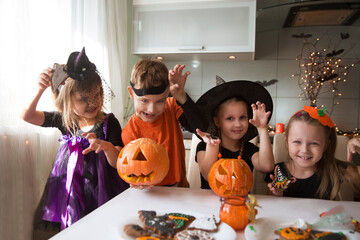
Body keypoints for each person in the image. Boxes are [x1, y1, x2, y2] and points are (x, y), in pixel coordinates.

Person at [20, 47, 129, 238]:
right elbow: (27, 116)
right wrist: (40, 89)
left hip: (100, 192)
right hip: (70, 194)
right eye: (83, 99)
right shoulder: (65, 120)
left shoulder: (108, 122)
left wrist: (105, 146)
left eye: (97, 95)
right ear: (68, 98)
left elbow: (120, 160)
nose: (92, 103)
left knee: (99, 231)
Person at [120, 59, 209, 188]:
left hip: (179, 189)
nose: (151, 109)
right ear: (131, 93)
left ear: (167, 95)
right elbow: (131, 168)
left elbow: (201, 128)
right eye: (144, 100)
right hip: (150, 192)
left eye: (160, 101)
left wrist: (181, 95)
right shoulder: (129, 132)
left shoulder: (171, 107)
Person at [266, 106, 360, 200]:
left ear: (326, 145)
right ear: (286, 142)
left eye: (314, 143)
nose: (305, 150)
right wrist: (276, 195)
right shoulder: (277, 171)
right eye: (297, 142)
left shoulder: (335, 169)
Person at [195, 77, 275, 189]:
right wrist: (213, 147)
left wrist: (262, 129)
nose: (237, 124)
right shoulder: (204, 147)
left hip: (241, 204)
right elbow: (208, 175)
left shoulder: (249, 150)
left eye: (242, 117)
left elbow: (267, 166)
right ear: (217, 121)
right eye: (230, 118)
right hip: (209, 205)